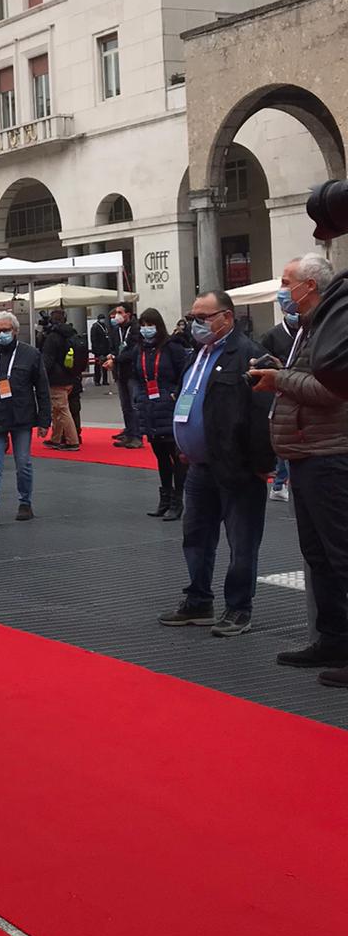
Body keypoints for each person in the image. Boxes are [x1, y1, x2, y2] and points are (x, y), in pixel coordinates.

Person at [247, 256, 348, 682]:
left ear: (309, 285)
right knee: (318, 555)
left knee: (340, 555)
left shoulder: (333, 327)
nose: (282, 290)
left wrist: (279, 380)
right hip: (308, 454)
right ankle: (332, 639)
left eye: (287, 283)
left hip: (329, 455)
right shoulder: (311, 326)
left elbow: (331, 388)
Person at [158, 290, 272, 637]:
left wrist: (260, 464)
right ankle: (198, 599)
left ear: (226, 317)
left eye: (203, 317)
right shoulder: (198, 354)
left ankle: (239, 608)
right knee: (196, 537)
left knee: (242, 542)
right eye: (193, 316)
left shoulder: (248, 356)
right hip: (199, 465)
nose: (196, 324)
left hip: (236, 466)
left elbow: (261, 414)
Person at [0, 310, 50, 525]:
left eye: (5, 330)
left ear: (15, 331)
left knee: (23, 462)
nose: (1, 334)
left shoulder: (31, 354)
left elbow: (42, 389)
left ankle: (25, 502)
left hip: (21, 415)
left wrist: (44, 420)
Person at [129, 307, 189, 521]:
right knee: (160, 455)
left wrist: (174, 394)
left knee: (176, 455)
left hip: (169, 406)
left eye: (150, 325)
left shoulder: (172, 347)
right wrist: (139, 395)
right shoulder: (140, 350)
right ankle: (164, 498)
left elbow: (184, 372)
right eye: (143, 325)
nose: (146, 329)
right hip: (150, 407)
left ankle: (177, 499)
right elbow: (136, 375)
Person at [259, 299, 300, 503]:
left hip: (302, 393)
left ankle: (283, 482)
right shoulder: (272, 335)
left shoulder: (308, 332)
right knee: (284, 436)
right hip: (279, 393)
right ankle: (279, 482)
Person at [39, 308, 83, 450]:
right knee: (58, 410)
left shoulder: (53, 337)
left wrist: (41, 375)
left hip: (56, 379)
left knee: (62, 410)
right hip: (70, 377)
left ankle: (72, 440)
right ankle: (56, 438)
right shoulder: (70, 333)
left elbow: (47, 359)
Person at [104, 303, 143, 448]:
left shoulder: (136, 329)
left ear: (128, 314)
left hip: (132, 371)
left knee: (134, 405)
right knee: (125, 405)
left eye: (120, 312)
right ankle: (129, 433)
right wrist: (111, 355)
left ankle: (137, 436)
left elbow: (133, 351)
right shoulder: (116, 330)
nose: (116, 315)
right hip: (120, 372)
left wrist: (115, 359)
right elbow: (114, 347)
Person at [90, 315, 111, 385]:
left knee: (105, 365)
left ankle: (105, 380)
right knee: (98, 365)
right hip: (98, 350)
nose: (103, 320)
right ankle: (97, 380)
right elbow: (94, 339)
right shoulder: (95, 327)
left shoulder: (105, 326)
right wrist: (96, 350)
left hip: (105, 349)